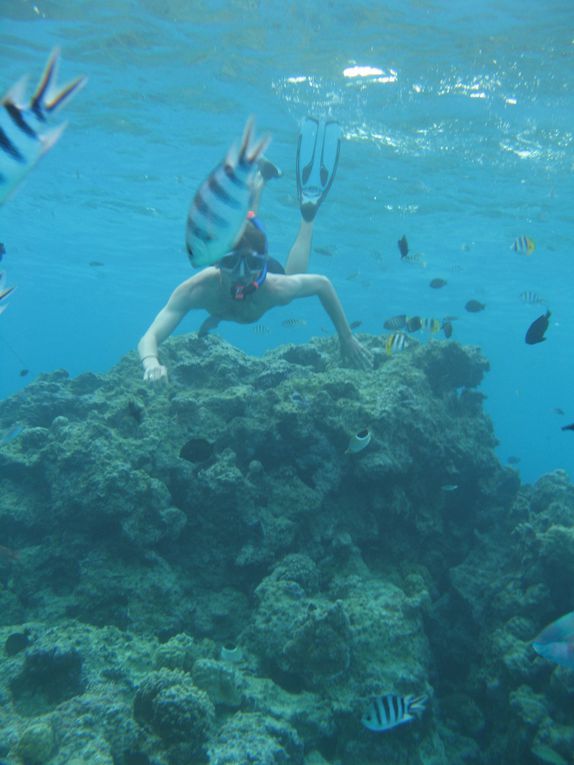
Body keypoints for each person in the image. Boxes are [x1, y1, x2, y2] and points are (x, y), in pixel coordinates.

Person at [138, 118, 372, 382]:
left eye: (249, 267)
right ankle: (259, 179)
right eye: (229, 263)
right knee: (244, 231)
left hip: (265, 268)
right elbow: (150, 337)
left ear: (260, 265)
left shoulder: (275, 288)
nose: (240, 275)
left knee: (285, 264)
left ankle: (308, 215)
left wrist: (347, 337)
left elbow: (323, 284)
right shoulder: (198, 289)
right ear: (216, 262)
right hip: (242, 261)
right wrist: (151, 362)